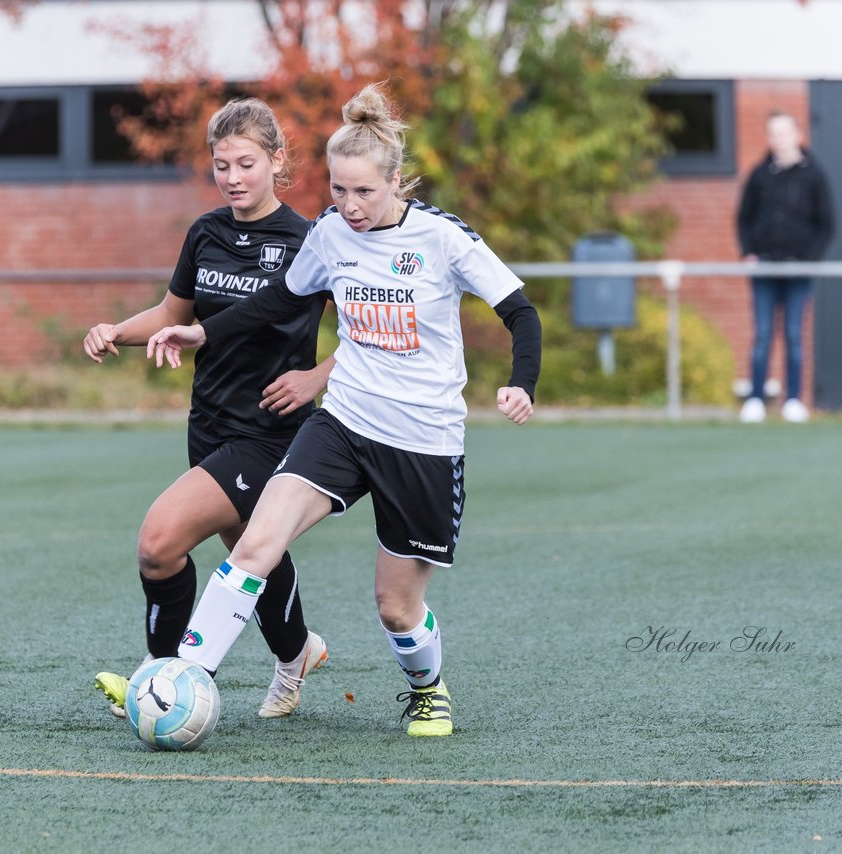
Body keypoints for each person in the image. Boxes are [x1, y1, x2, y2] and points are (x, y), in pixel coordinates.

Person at [146, 82, 542, 737]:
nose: (349, 206)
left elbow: (519, 313)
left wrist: (521, 382)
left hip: (422, 440)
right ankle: (183, 677)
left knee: (395, 608)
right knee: (255, 545)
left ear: (395, 181)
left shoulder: (444, 240)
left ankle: (427, 688)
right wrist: (202, 331)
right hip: (343, 423)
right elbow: (278, 300)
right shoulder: (329, 234)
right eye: (337, 190)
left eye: (364, 191)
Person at [83, 97, 334, 719]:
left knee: (158, 542)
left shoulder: (310, 242)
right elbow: (173, 316)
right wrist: (116, 329)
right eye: (221, 165)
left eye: (246, 163)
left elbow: (371, 331)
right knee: (254, 550)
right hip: (209, 423)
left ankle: (159, 674)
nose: (233, 178)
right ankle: (297, 652)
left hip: (270, 430)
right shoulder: (207, 232)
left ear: (277, 161)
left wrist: (316, 377)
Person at [736, 111, 834, 423]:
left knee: (793, 333)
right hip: (765, 267)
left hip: (798, 270)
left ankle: (793, 400)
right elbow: (744, 218)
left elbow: (826, 224)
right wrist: (749, 252)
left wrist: (810, 258)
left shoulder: (814, 174)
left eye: (783, 132)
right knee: (763, 334)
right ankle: (755, 399)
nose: (778, 139)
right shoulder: (759, 174)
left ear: (796, 134)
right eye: (773, 133)